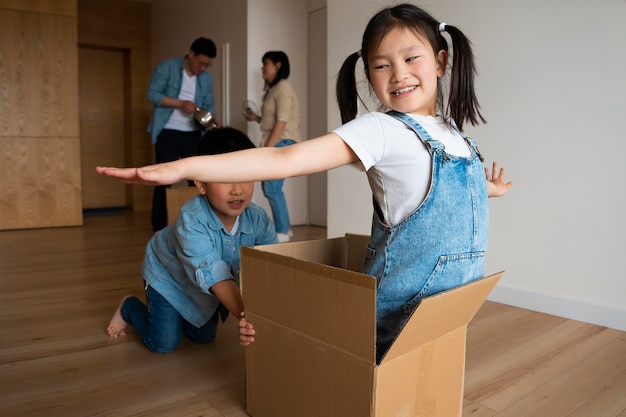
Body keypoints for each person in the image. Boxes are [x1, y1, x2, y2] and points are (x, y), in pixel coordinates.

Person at [98, 4, 513, 362]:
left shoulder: (453, 132)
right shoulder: (380, 130)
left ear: (440, 62)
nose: (398, 74)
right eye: (381, 65)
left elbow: (447, 190)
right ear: (368, 75)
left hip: (452, 301)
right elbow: (284, 158)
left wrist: (487, 188)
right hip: (400, 304)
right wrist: (186, 167)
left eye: (411, 58)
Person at [106, 127, 278, 353]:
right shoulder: (192, 220)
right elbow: (217, 278)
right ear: (201, 184)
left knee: (204, 337)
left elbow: (273, 266)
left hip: (198, 286)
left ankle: (180, 314)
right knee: (163, 343)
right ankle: (129, 306)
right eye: (226, 179)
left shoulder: (259, 219)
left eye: (245, 177)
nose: (237, 190)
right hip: (167, 277)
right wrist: (252, 318)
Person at [147, 37, 220, 231]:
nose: (203, 68)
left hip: (193, 133)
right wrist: (180, 103)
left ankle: (197, 225)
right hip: (167, 131)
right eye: (201, 63)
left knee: (197, 181)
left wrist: (212, 118)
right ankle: (159, 227)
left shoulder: (206, 78)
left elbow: (209, 104)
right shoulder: (168, 67)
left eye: (207, 65)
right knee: (162, 179)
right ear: (191, 54)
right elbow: (152, 94)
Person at [244, 51, 300, 242]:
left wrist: (268, 150)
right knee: (272, 187)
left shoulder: (283, 87)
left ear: (277, 65)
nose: (262, 68)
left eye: (265, 64)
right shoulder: (274, 89)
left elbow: (282, 122)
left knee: (272, 187)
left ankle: (282, 231)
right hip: (277, 141)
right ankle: (285, 229)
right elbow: (272, 120)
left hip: (282, 142)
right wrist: (256, 118)